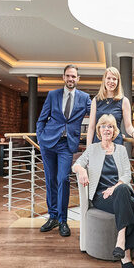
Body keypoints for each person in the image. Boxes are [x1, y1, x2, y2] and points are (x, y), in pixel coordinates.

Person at [73, 114, 134, 268]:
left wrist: (114, 188)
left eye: (110, 126)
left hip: (119, 192)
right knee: (128, 203)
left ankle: (120, 241)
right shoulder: (93, 149)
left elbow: (126, 175)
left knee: (123, 190)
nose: (106, 129)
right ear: (99, 130)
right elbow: (76, 164)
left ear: (114, 131)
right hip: (101, 197)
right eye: (103, 126)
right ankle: (126, 255)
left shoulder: (121, 150)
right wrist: (81, 170)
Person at [36, 65, 91, 237]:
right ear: (63, 77)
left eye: (73, 76)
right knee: (50, 180)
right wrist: (40, 137)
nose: (71, 79)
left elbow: (96, 114)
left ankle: (63, 220)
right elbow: (42, 118)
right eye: (68, 76)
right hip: (48, 143)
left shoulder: (84, 97)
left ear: (78, 78)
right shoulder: (53, 95)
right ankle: (52, 217)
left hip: (67, 145)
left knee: (63, 179)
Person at [86, 67, 134, 146]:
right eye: (108, 78)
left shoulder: (124, 101)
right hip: (98, 143)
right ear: (104, 80)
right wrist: (88, 149)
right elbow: (91, 127)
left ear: (118, 82)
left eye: (114, 79)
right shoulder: (96, 100)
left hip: (115, 143)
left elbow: (128, 126)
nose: (111, 81)